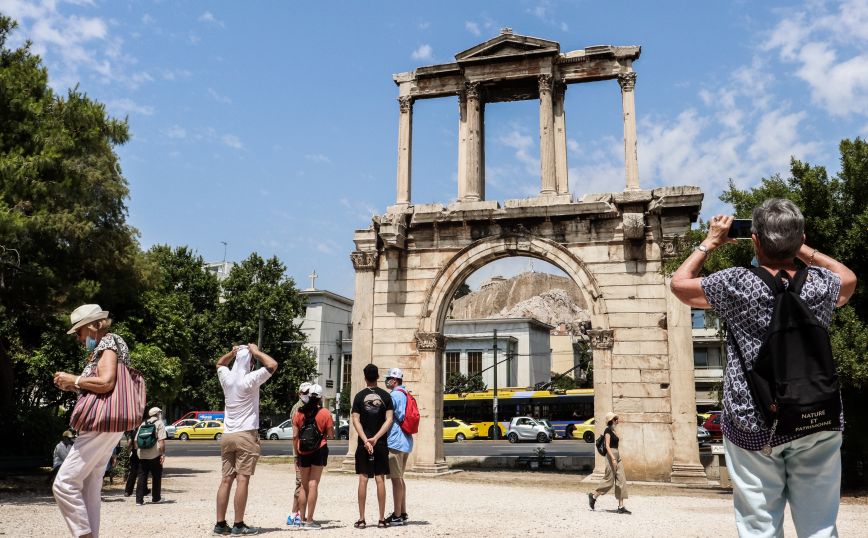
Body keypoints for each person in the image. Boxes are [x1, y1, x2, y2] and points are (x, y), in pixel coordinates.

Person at [670, 200, 857, 536]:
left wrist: (710, 242)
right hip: (817, 414)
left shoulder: (736, 283)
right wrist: (804, 249)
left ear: (754, 240)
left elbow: (680, 284)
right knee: (820, 525)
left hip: (754, 419)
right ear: (800, 238)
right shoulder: (820, 284)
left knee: (759, 524)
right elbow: (849, 279)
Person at [52, 304, 131, 538]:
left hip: (100, 424)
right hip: (111, 424)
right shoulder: (110, 345)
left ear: (91, 326)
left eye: (78, 332)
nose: (77, 338)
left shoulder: (108, 344)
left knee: (64, 484)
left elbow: (106, 382)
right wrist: (74, 384)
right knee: (89, 488)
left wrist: (74, 379)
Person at [212, 344, 278, 536]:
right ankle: (238, 524)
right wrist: (256, 351)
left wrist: (232, 353)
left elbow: (219, 363)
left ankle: (220, 523)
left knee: (226, 480)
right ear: (249, 363)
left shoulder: (226, 377)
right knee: (242, 479)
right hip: (246, 434)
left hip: (228, 433)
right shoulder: (250, 378)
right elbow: (272, 364)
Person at [351, 363, 394, 529]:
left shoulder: (359, 396)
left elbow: (355, 420)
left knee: (363, 479)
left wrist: (366, 440)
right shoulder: (386, 396)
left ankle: (361, 519)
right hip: (381, 442)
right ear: (377, 377)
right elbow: (389, 420)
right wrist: (375, 439)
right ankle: (382, 519)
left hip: (364, 443)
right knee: (380, 479)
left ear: (365, 377)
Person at [291, 384, 334, 530]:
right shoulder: (325, 413)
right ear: (320, 397)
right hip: (319, 449)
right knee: (313, 484)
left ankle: (301, 519)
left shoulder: (299, 413)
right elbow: (331, 435)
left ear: (308, 396)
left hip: (302, 451)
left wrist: (296, 455)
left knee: (303, 485)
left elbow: (295, 436)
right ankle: (310, 521)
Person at [384, 367, 413, 526]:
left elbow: (387, 416)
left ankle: (396, 516)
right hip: (406, 441)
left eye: (388, 378)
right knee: (400, 478)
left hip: (395, 441)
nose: (387, 381)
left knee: (395, 480)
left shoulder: (394, 395)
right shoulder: (406, 394)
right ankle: (402, 512)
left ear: (394, 380)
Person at [588, 412, 630, 514]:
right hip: (611, 457)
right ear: (611, 420)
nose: (617, 420)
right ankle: (593, 495)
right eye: (616, 419)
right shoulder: (607, 430)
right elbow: (607, 445)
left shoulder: (613, 430)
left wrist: (617, 458)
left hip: (617, 456)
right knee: (609, 480)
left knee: (621, 480)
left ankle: (621, 506)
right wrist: (613, 459)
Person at [287, 381, 312, 526]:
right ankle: (294, 514)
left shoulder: (306, 407)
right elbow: (296, 434)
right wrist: (296, 455)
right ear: (299, 394)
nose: (307, 395)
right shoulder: (298, 408)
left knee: (304, 483)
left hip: (305, 448)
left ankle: (298, 513)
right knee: (300, 483)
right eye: (305, 392)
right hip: (300, 450)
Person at [134, 407, 167, 505]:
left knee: (142, 476)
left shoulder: (143, 423)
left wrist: (139, 451)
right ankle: (156, 498)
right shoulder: (159, 423)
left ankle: (139, 500)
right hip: (155, 454)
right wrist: (162, 454)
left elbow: (136, 441)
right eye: (160, 413)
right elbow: (161, 441)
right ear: (157, 414)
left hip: (142, 454)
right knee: (156, 476)